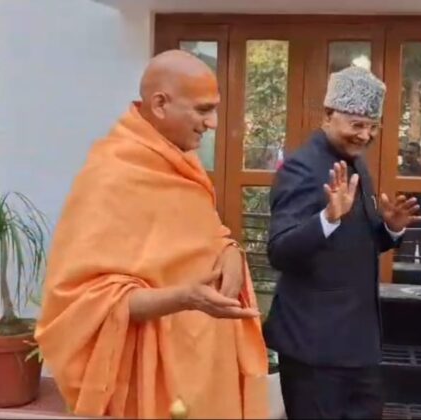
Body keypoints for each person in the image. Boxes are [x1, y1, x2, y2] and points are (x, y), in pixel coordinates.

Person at [34, 50, 268, 419]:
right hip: (151, 377)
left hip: (207, 364)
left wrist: (230, 250)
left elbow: (206, 232)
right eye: (203, 110)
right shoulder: (111, 176)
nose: (213, 124)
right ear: (160, 104)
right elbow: (82, 301)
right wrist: (183, 298)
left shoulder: (181, 162)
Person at [263, 66, 421, 419]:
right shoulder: (301, 169)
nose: (365, 135)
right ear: (328, 115)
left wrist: (391, 229)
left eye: (372, 126)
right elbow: (280, 251)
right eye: (356, 124)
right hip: (314, 350)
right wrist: (327, 219)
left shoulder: (355, 165)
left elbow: (355, 245)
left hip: (358, 347)